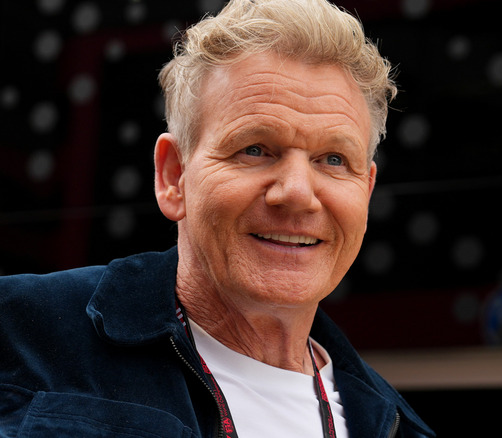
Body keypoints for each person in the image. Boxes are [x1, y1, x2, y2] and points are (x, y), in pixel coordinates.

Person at [0, 0, 435, 436]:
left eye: (334, 159)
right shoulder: (17, 334)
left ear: (367, 189)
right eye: (255, 149)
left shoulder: (402, 429)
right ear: (175, 176)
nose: (299, 194)